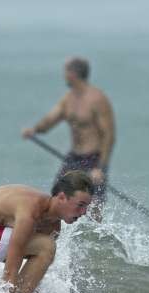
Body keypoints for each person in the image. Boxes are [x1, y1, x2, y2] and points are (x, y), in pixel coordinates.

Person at [21, 56, 116, 221]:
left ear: (73, 74)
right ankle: (55, 234)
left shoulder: (97, 99)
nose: (64, 75)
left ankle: (94, 238)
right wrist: (35, 130)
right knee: (58, 196)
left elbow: (109, 135)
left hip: (94, 159)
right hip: (74, 158)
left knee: (93, 206)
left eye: (65, 72)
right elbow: (52, 118)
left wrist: (101, 167)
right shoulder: (69, 98)